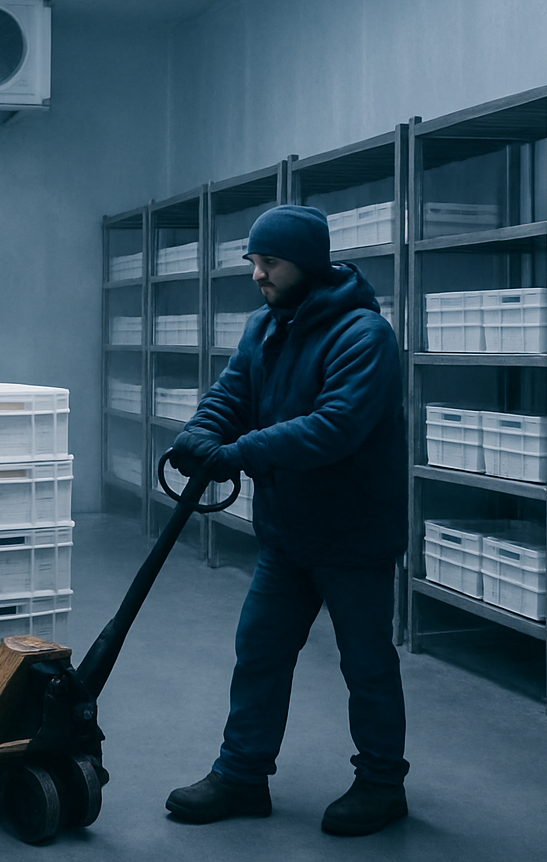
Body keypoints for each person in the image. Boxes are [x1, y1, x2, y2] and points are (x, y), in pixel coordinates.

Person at [162, 203, 409, 837]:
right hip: (288, 532)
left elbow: (336, 428)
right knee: (260, 652)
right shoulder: (265, 326)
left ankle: (382, 784)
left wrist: (236, 453)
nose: (257, 275)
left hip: (353, 535)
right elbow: (233, 393)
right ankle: (242, 775)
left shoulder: (364, 336)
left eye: (269, 263)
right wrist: (201, 435)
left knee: (367, 665)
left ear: (305, 264)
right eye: (254, 262)